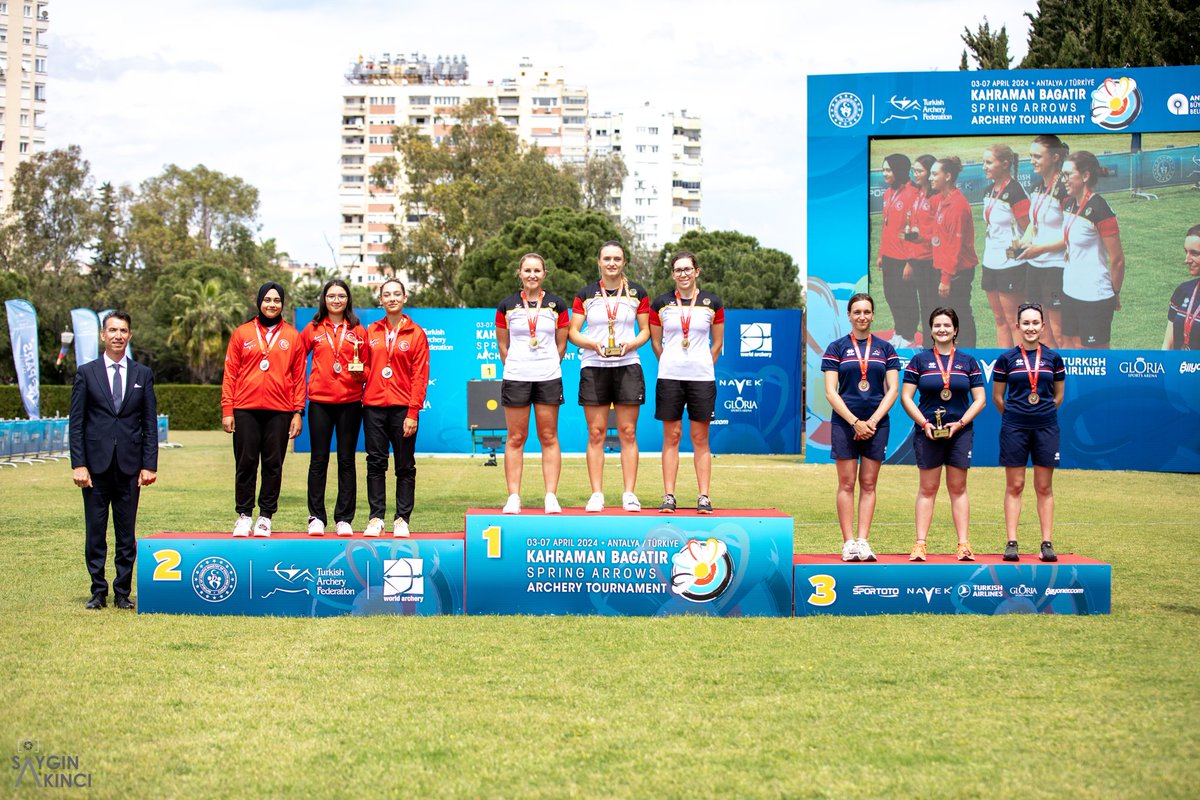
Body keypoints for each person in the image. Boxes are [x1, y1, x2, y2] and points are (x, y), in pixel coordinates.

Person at [70, 312, 158, 610]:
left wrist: (149, 464)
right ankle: (98, 590)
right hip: (94, 468)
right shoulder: (86, 372)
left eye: (123, 330)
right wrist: (78, 464)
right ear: (102, 335)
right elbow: (77, 423)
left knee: (126, 533)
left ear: (129, 336)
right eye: (112, 330)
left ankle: (122, 592)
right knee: (95, 532)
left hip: (130, 468)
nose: (118, 335)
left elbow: (149, 423)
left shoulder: (142, 374)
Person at [568, 240, 650, 513]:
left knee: (628, 432)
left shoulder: (637, 292)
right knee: (596, 433)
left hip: (628, 365)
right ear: (599, 262)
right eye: (607, 259)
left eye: (617, 258)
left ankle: (629, 493)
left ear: (624, 262)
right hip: (594, 366)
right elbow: (573, 332)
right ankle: (597, 494)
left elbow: (645, 330)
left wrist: (632, 344)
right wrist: (593, 344)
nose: (612, 263)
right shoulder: (586, 294)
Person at [901, 307, 986, 562]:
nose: (942, 329)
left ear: (955, 329)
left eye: (947, 325)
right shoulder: (920, 361)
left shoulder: (968, 362)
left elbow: (979, 400)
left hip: (959, 432)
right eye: (937, 325)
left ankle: (963, 545)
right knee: (928, 487)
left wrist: (960, 423)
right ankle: (920, 545)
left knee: (958, 487)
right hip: (928, 432)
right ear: (931, 330)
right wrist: (925, 423)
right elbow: (906, 397)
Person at [221, 282, 306, 538]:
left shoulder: (293, 336)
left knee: (273, 464)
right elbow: (230, 374)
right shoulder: (242, 333)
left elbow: (299, 376)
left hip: (279, 410)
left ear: (282, 304)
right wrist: (228, 409)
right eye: (267, 300)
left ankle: (266, 517)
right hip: (245, 408)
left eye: (277, 300)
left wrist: (298, 411)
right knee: (245, 463)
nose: (272, 304)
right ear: (259, 302)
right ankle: (244, 515)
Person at [821, 293, 901, 562]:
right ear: (849, 315)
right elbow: (831, 393)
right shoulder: (836, 348)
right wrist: (855, 422)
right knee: (846, 483)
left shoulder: (886, 349)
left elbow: (892, 390)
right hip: (845, 424)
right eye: (857, 312)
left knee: (868, 483)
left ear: (873, 314)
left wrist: (872, 422)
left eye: (867, 311)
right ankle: (848, 543)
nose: (862, 316)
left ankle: (864, 541)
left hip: (877, 423)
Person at [650, 251, 725, 514]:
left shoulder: (711, 302)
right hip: (669, 376)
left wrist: (701, 363)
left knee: (700, 438)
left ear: (697, 271)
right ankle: (669, 495)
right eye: (678, 270)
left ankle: (704, 496)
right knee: (671, 436)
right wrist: (671, 362)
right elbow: (656, 343)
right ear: (672, 274)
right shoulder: (661, 303)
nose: (683, 274)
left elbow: (717, 344)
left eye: (687, 269)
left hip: (701, 378)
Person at [495, 253, 570, 514]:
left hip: (548, 376)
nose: (532, 275)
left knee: (548, 436)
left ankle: (551, 495)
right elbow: (503, 345)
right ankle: (514, 496)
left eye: (537, 270)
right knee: (516, 437)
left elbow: (562, 345)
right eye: (527, 270)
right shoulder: (507, 305)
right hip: (516, 376)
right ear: (520, 273)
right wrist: (517, 365)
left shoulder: (556, 305)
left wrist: (547, 364)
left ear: (544, 274)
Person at [993, 302, 1066, 563]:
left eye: (1036, 323)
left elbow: (1058, 396)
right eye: (1026, 323)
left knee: (1044, 486)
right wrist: (1017, 416)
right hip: (1014, 428)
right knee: (1015, 485)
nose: (1031, 327)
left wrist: (1039, 413)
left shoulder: (1054, 359)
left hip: (1046, 427)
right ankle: (1011, 542)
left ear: (1043, 326)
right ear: (1018, 326)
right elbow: (998, 398)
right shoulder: (1006, 359)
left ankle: (1046, 543)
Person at [361, 278, 429, 537]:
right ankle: (376, 518)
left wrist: (413, 412)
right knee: (375, 463)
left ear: (404, 298)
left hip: (402, 408)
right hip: (374, 407)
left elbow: (419, 376)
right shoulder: (371, 332)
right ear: (380, 300)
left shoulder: (416, 333)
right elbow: (366, 368)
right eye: (386, 294)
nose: (391, 298)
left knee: (404, 465)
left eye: (396, 294)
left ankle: (402, 519)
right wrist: (358, 373)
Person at [300, 278, 367, 536]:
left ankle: (344, 519)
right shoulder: (313, 329)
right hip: (320, 403)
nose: (336, 300)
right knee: (318, 460)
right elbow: (297, 362)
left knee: (347, 461)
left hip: (350, 404)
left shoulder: (358, 330)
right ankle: (316, 516)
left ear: (348, 299)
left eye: (341, 296)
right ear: (324, 299)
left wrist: (360, 372)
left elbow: (368, 367)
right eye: (331, 296)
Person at [1060, 150, 1125, 349]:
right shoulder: (1069, 204)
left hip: (1095, 296)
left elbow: (1117, 259)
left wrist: (1115, 293)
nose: (1064, 180)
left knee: (1095, 359)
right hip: (1070, 290)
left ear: (1086, 176)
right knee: (1068, 346)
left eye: (1068, 175)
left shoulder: (1100, 209)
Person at [1016, 134, 1070, 348]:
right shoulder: (1038, 187)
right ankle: (1048, 374)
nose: (1032, 161)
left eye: (1038, 156)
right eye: (1031, 156)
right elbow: (1034, 222)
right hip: (1035, 266)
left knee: (1058, 330)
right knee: (1041, 328)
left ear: (1055, 157)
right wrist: (1023, 243)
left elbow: (1071, 234)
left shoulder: (1065, 189)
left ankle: (1066, 378)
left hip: (1056, 267)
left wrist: (1040, 249)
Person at [980, 143, 1030, 349]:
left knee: (1013, 321)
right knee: (1000, 320)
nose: (984, 167)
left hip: (1011, 264)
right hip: (990, 262)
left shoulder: (1016, 191)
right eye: (984, 162)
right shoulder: (988, 190)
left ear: (1005, 164)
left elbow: (1030, 230)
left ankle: (1021, 367)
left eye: (989, 162)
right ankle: (1005, 365)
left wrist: (1018, 250)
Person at [930, 156, 978, 347]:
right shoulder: (943, 200)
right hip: (946, 268)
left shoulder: (957, 205)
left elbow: (954, 247)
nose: (931, 177)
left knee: (960, 312)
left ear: (948, 176)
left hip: (957, 270)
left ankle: (969, 352)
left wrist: (946, 278)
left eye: (935, 174)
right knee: (950, 312)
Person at [878, 153, 920, 347]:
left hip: (904, 258)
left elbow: (914, 230)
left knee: (906, 297)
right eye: (883, 169)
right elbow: (886, 227)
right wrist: (880, 254)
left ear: (899, 170)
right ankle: (899, 331)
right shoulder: (888, 193)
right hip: (888, 256)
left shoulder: (913, 193)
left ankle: (909, 335)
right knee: (891, 295)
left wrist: (911, 262)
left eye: (888, 170)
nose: (884, 173)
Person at [907, 154, 939, 345]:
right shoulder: (918, 194)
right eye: (914, 170)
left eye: (919, 171)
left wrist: (922, 236)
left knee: (933, 305)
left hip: (932, 260)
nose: (915, 174)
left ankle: (933, 343)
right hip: (918, 258)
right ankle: (928, 343)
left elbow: (939, 231)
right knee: (924, 304)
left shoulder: (936, 197)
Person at [1163, 224, 1200, 350]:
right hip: (1176, 368)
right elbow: (1167, 345)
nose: (1187, 260)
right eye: (1186, 252)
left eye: (1194, 253)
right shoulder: (1183, 291)